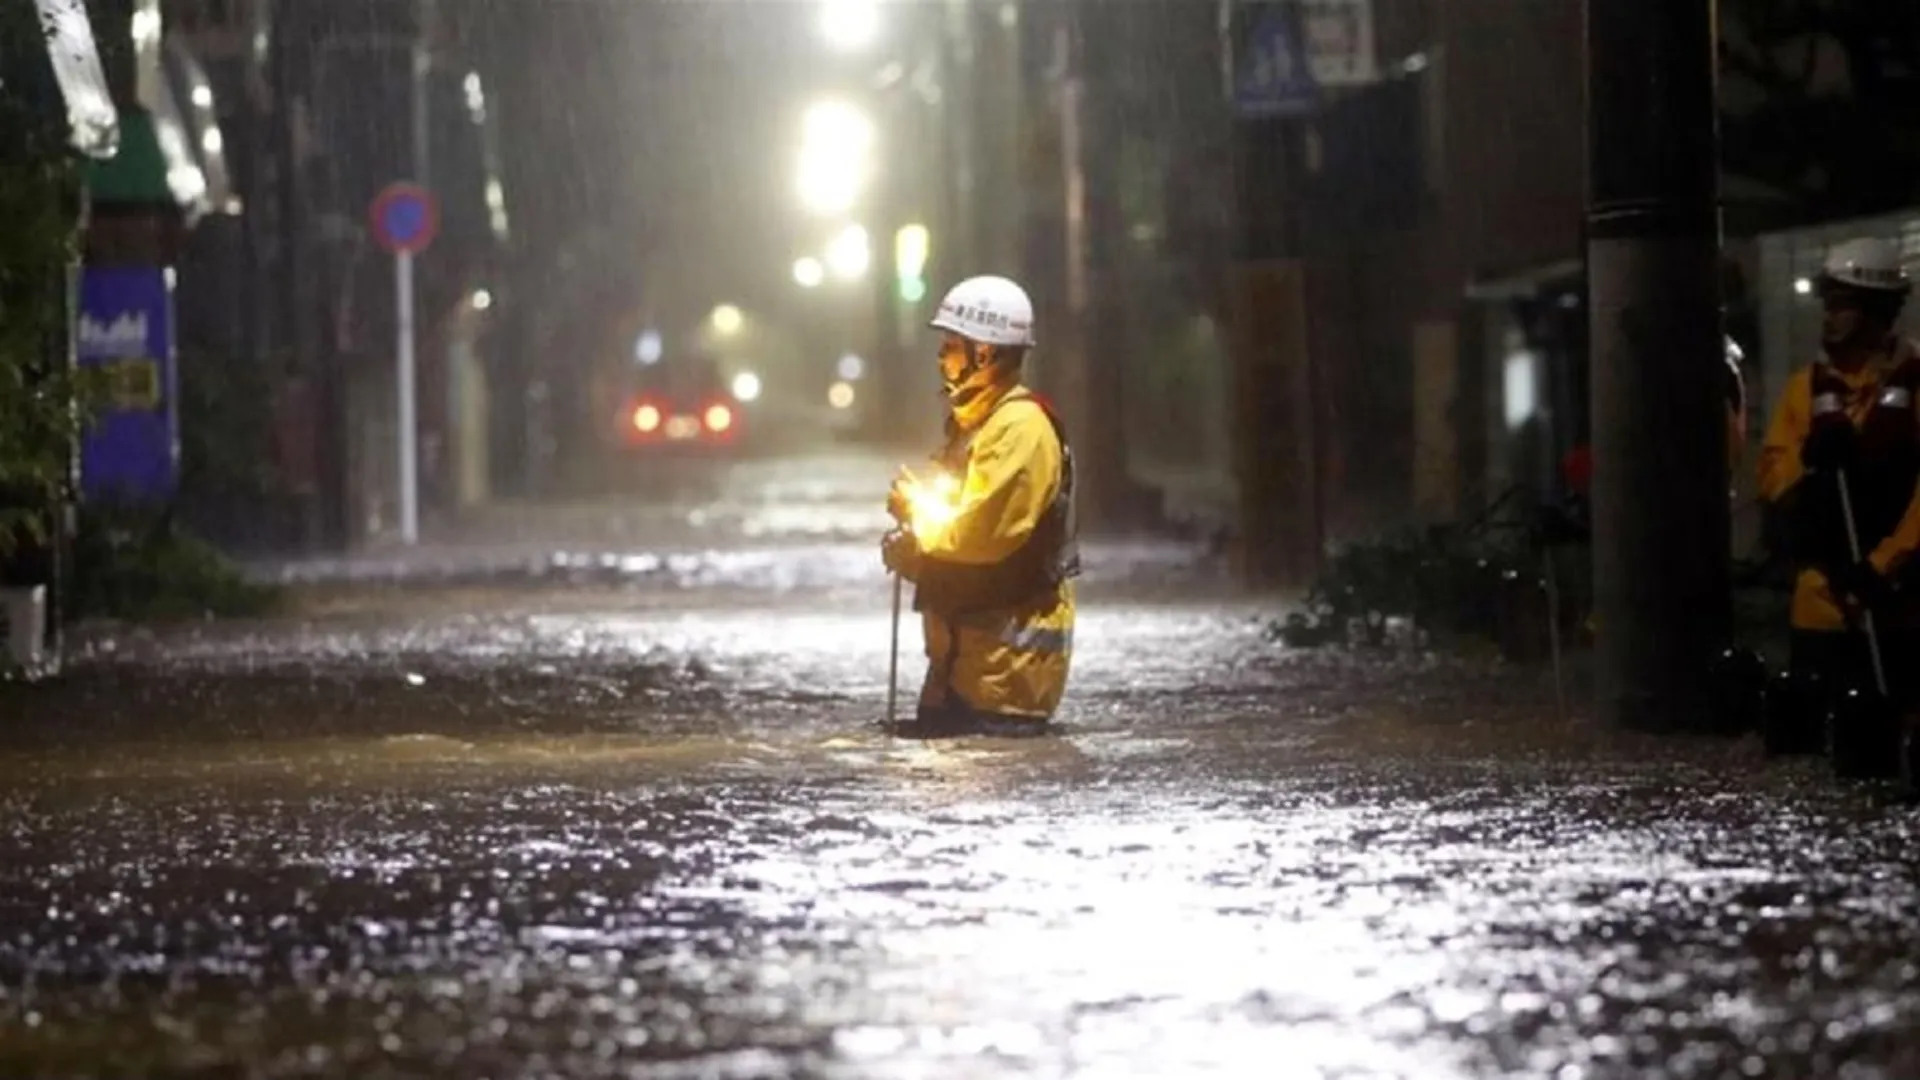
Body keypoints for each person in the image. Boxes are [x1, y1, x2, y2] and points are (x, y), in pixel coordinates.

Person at [880, 274, 1079, 738]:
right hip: (967, 674)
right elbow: (962, 532)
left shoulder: (1020, 429)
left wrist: (917, 527)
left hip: (1003, 683)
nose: (940, 356)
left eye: (951, 343)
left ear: (984, 352)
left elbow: (979, 538)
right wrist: (916, 538)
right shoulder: (982, 426)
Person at [1757, 236, 1920, 772]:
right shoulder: (1807, 390)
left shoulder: (1914, 385)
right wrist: (1811, 467)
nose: (1829, 315)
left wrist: (1883, 565)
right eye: (1827, 301)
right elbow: (1775, 478)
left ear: (1877, 310)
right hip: (1820, 606)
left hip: (1897, 606)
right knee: (1811, 758)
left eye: (1842, 303)